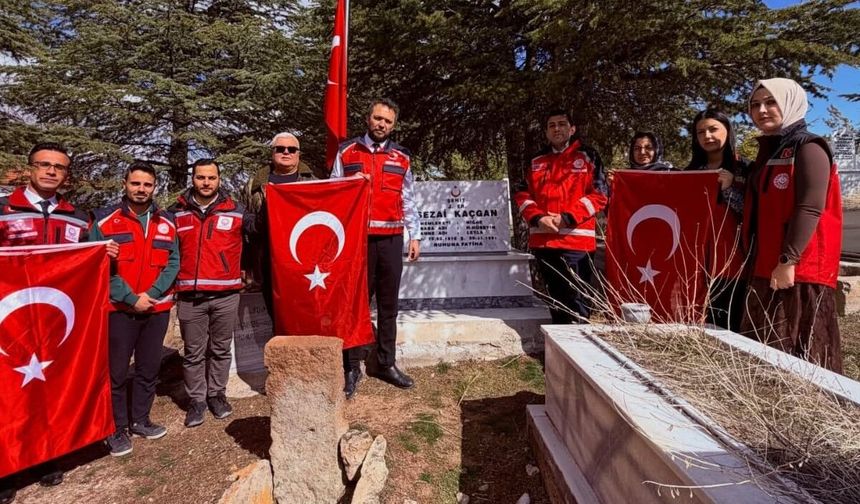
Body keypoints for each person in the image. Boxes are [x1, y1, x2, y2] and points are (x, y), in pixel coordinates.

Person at [0, 142, 117, 504]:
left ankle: (49, 455)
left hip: (55, 321)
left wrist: (104, 253)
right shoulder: (3, 210)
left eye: (59, 168)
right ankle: (9, 468)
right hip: (12, 318)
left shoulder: (79, 218)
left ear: (67, 175)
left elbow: (88, 259)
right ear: (30, 168)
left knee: (53, 385)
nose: (51, 172)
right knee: (11, 392)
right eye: (44, 165)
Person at [740, 78, 843, 372]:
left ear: (790, 103)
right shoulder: (770, 151)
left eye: (771, 102)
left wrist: (788, 260)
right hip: (766, 266)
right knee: (764, 352)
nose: (761, 110)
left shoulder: (809, 147)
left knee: (800, 353)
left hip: (799, 271)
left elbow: (810, 207)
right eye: (755, 104)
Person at [330, 98, 421, 399]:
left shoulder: (402, 157)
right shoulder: (347, 151)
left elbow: (408, 198)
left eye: (388, 121)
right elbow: (333, 193)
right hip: (357, 241)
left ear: (393, 125)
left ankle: (385, 362)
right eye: (377, 118)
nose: (382, 124)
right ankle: (351, 366)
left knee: (388, 305)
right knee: (354, 306)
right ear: (368, 118)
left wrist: (415, 235)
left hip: (391, 240)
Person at [90, 161, 180, 455]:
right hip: (119, 310)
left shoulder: (167, 223)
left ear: (155, 187)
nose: (141, 190)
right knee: (116, 373)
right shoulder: (104, 223)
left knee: (147, 369)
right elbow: (98, 267)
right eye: (135, 184)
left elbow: (173, 263)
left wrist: (151, 294)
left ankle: (141, 419)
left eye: (147, 185)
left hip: (156, 309)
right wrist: (131, 298)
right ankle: (116, 428)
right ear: (125, 184)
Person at [170, 159, 255, 427]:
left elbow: (258, 237)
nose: (206, 183)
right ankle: (197, 400)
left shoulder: (238, 212)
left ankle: (217, 394)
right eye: (200, 177)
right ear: (192, 179)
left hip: (226, 294)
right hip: (190, 296)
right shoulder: (175, 214)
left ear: (219, 179)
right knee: (193, 352)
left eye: (211, 178)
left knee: (220, 350)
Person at [513, 109, 608, 324]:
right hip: (544, 242)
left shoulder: (588, 156)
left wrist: (567, 218)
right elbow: (521, 193)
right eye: (552, 125)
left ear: (572, 129)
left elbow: (600, 195)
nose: (557, 128)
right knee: (555, 303)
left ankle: (580, 351)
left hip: (576, 244)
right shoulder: (536, 160)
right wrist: (537, 218)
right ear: (546, 132)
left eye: (562, 124)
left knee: (578, 303)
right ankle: (556, 352)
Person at [685, 108, 751, 331]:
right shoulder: (690, 172)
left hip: (733, 260)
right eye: (701, 132)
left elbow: (754, 213)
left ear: (728, 130)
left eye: (713, 129)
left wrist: (730, 189)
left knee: (727, 323)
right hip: (695, 259)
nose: (707, 136)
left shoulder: (746, 168)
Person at [240, 132, 314, 321]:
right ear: (272, 153)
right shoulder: (253, 185)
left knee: (302, 315)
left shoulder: (313, 182)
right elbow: (245, 222)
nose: (286, 152)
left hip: (302, 263)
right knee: (274, 316)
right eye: (280, 149)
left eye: (291, 149)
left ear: (299, 154)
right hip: (267, 261)